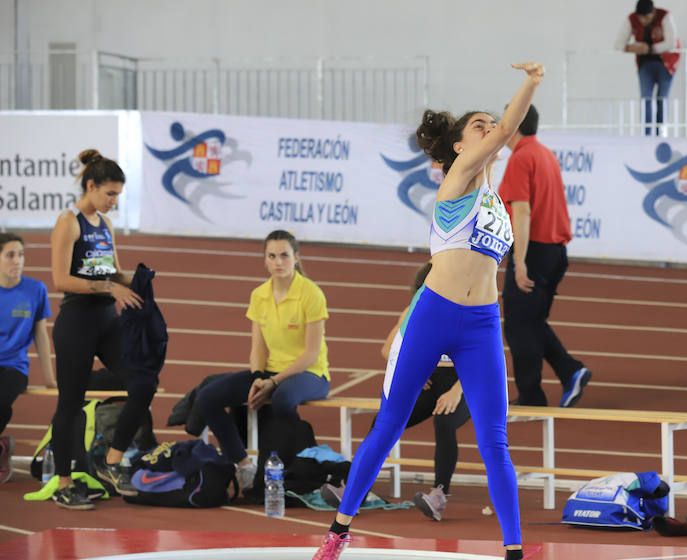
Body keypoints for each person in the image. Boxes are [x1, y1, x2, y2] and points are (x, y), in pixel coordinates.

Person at [311, 61, 545, 560]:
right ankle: (338, 532)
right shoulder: (457, 177)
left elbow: (493, 276)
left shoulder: (496, 203)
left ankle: (514, 552)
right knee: (390, 424)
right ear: (460, 146)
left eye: (489, 123)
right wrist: (531, 82)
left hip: (481, 325)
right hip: (433, 314)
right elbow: (508, 128)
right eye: (477, 126)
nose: (489, 131)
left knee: (495, 442)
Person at [320, 261, 471, 521]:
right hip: (431, 382)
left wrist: (456, 392)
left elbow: (484, 364)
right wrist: (410, 370)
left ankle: (439, 495)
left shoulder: (468, 313)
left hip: (466, 385)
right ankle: (355, 489)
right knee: (384, 419)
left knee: (444, 421)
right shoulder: (414, 310)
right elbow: (387, 348)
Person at [194, 229, 331, 492]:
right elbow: (257, 349)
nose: (278, 262)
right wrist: (258, 377)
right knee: (207, 397)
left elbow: (311, 354)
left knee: (282, 399)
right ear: (265, 260)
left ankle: (290, 466)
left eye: (284, 255)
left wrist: (274, 382)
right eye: (272, 256)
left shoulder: (311, 294)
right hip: (271, 372)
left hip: (311, 374)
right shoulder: (259, 295)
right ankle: (244, 464)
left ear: (296, 258)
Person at [49, 149, 145, 510]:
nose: (114, 202)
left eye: (118, 195)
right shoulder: (68, 222)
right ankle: (64, 483)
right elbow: (60, 279)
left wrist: (140, 280)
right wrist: (109, 288)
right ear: (91, 186)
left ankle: (112, 461)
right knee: (70, 404)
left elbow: (114, 272)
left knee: (142, 381)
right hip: (76, 322)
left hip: (107, 320)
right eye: (110, 194)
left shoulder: (105, 225)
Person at [498, 104, 591, 408]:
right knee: (532, 320)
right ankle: (570, 370)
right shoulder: (544, 154)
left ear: (514, 124)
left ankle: (531, 396)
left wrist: (519, 261)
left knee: (518, 324)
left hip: (535, 251)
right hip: (555, 251)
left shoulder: (521, 159)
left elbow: (522, 212)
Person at [0, 233, 56, 484]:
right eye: (10, 255)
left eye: (21, 255)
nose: (17, 261)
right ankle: (2, 446)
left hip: (14, 366)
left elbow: (41, 335)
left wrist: (49, 378)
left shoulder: (35, 290)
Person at [614, 0, 679, 135]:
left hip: (666, 64)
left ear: (653, 12)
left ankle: (661, 132)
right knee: (646, 99)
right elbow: (618, 44)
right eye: (641, 18)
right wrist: (632, 48)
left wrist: (650, 48)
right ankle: (647, 133)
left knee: (662, 98)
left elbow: (671, 43)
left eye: (647, 17)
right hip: (645, 65)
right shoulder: (632, 19)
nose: (644, 21)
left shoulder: (665, 16)